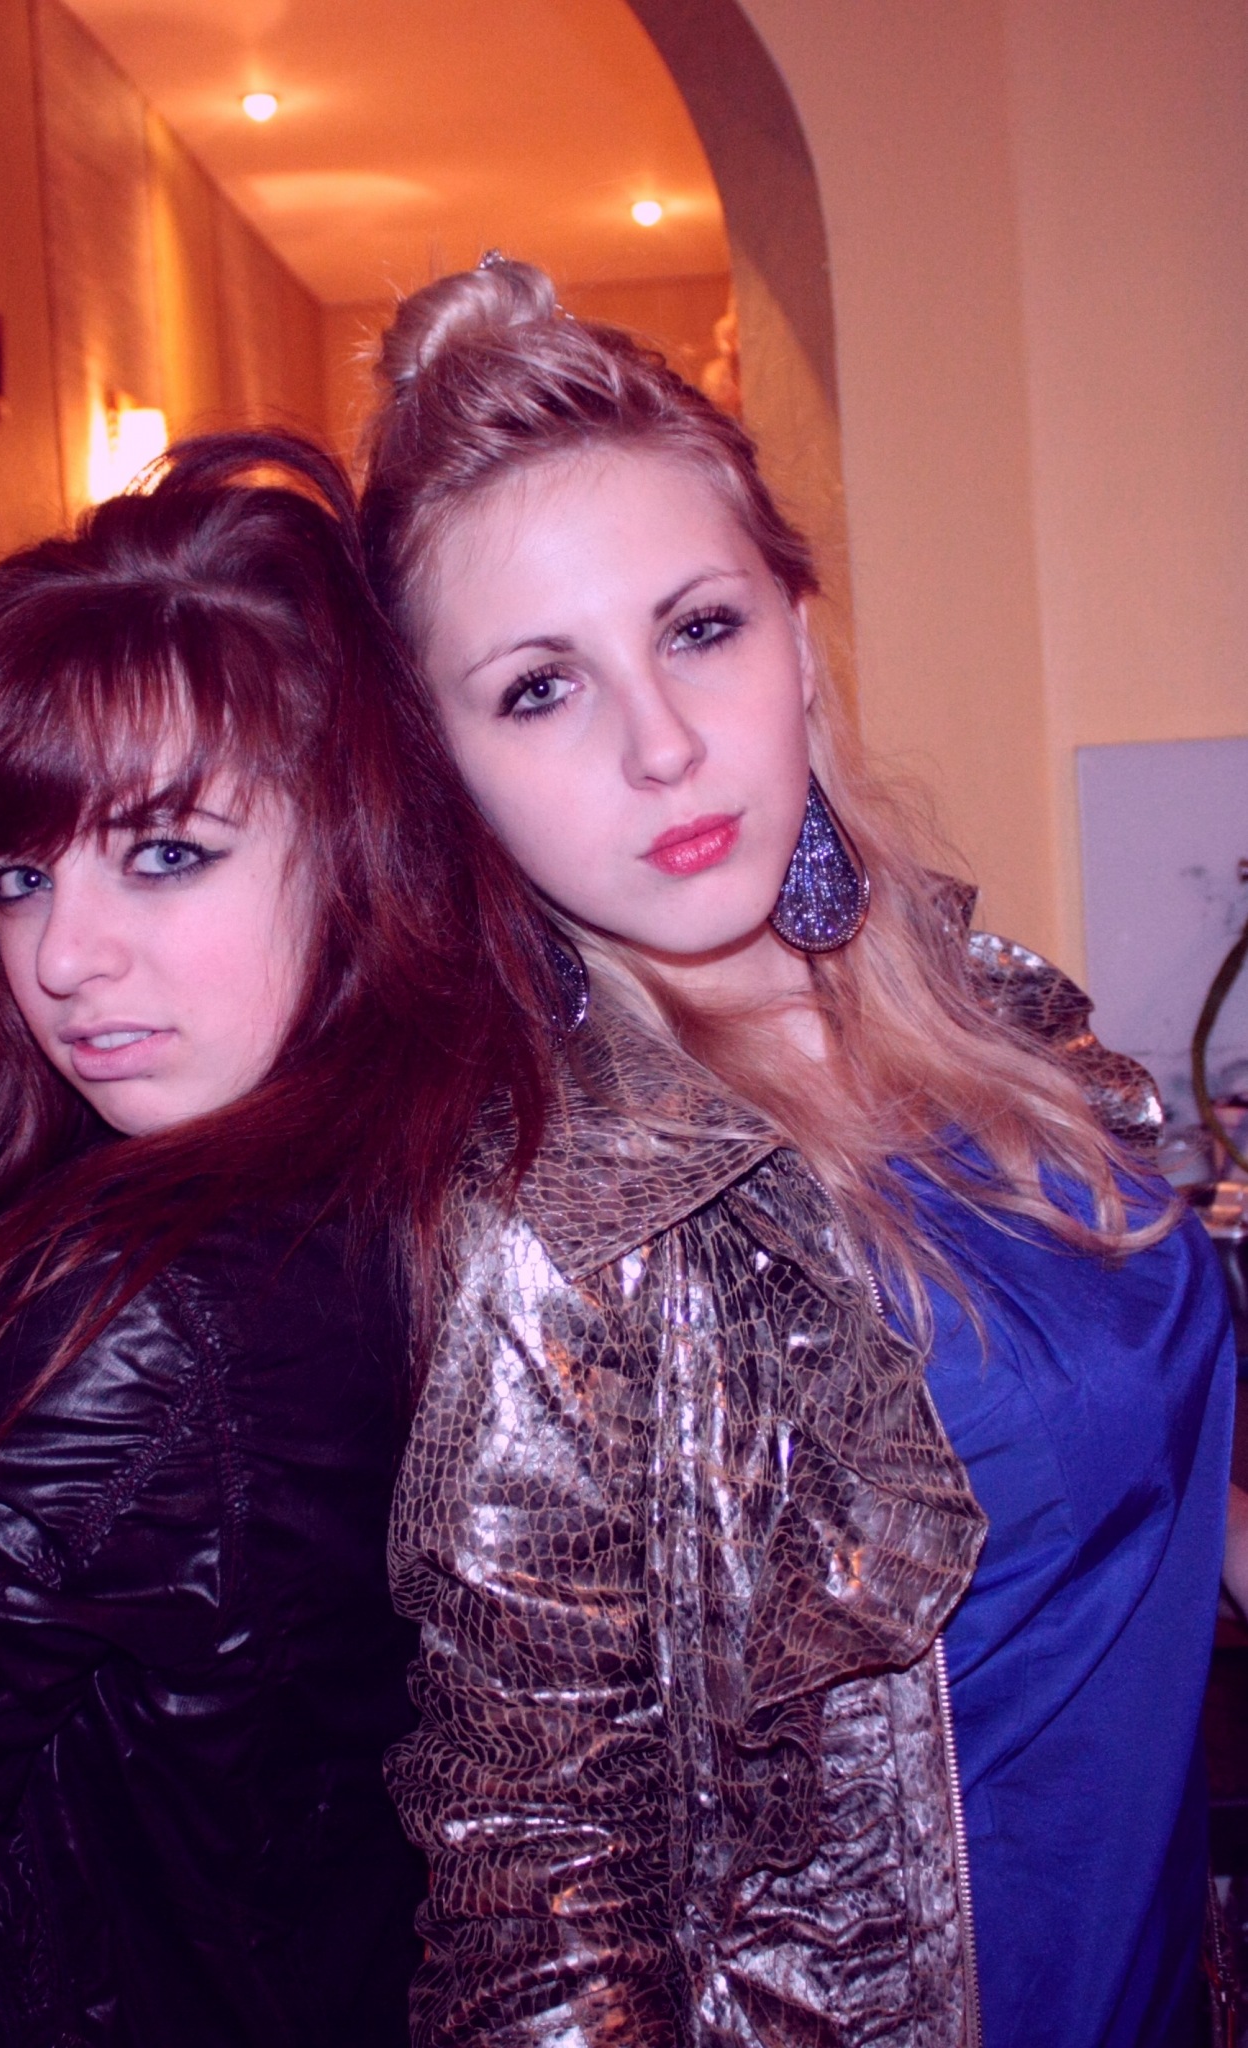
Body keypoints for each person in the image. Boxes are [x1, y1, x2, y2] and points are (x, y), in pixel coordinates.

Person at [359, 257, 1237, 2047]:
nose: (661, 744)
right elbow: (538, 1924)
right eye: (537, 689)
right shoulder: (557, 1234)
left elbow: (1127, 1483)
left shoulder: (1001, 1022)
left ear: (797, 630)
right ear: (444, 769)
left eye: (699, 628)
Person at [0, 433, 557, 2048]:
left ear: (357, 846)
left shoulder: (142, 1315)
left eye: (165, 855)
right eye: (18, 876)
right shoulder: (440, 1186)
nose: (64, 956)